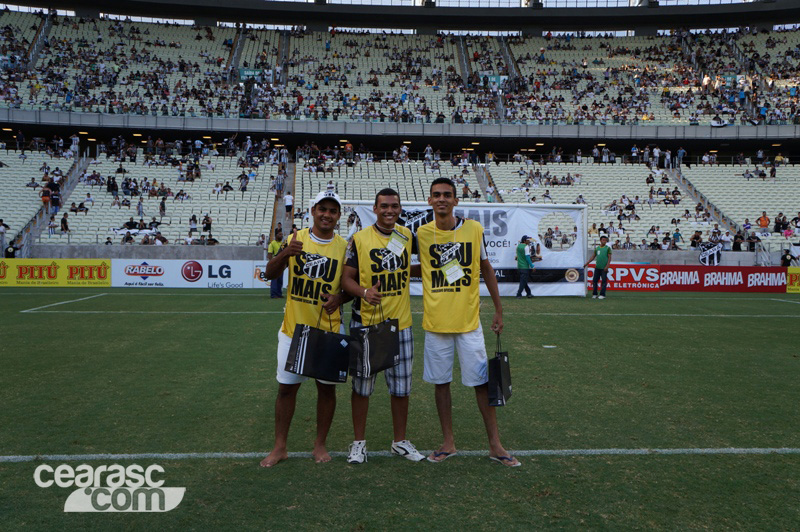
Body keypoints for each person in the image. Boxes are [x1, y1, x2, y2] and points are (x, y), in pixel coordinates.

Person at [415, 177, 519, 467]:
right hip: (435, 324)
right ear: (429, 200)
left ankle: (495, 445)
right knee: (440, 384)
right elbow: (416, 265)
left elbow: (485, 267)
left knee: (481, 384)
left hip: (469, 323)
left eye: (447, 194)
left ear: (456, 200)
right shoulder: (422, 233)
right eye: (436, 195)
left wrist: (498, 309)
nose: (442, 199)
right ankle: (448, 442)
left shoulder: (474, 230)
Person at [260, 190, 349, 468]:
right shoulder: (295, 239)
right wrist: (286, 252)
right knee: (286, 389)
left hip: (329, 331)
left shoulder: (344, 247)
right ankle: (280, 447)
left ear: (338, 216)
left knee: (326, 390)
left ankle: (320, 444)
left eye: (333, 211)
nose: (327, 214)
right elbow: (270, 273)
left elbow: (349, 286)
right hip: (293, 330)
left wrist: (340, 298)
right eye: (322, 209)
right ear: (313, 211)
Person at [340, 188, 425, 464]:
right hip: (367, 325)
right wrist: (365, 292)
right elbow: (346, 280)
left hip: (401, 326)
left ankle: (399, 442)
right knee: (362, 388)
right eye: (385, 206)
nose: (390, 210)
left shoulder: (406, 235)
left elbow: (411, 267)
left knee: (401, 388)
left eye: (395, 206)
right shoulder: (359, 239)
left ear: (400, 209)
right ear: (375, 209)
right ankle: (358, 444)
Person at [585, 234, 611, 299]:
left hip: (604, 267)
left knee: (604, 281)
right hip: (597, 267)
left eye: (605, 240)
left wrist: (607, 266)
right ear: (600, 241)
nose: (604, 241)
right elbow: (593, 256)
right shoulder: (597, 248)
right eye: (603, 240)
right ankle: (595, 294)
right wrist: (587, 262)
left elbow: (609, 258)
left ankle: (602, 294)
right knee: (595, 281)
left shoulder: (608, 248)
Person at [267, 228, 284, 299]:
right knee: (274, 280)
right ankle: (273, 294)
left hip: (281, 264)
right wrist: (272, 263)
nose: (281, 236)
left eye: (282, 234)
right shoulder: (272, 243)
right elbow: (270, 254)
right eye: (280, 234)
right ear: (276, 235)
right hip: (275, 264)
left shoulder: (283, 244)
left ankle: (279, 293)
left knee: (280, 280)